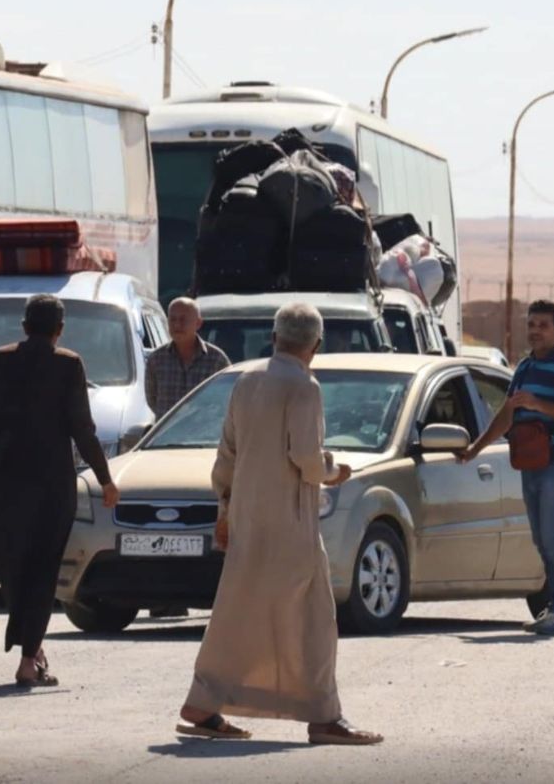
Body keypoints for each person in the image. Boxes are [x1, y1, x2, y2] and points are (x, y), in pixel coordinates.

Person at [175, 302, 382, 746]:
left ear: (274, 337)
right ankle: (324, 717)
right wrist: (334, 470)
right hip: (290, 520)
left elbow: (226, 455)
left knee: (237, 612)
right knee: (314, 618)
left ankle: (204, 701)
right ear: (316, 346)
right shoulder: (304, 386)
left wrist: (224, 510)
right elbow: (306, 461)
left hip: (248, 516)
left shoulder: (247, 381)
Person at [0, 294, 119, 687]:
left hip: (7, 482)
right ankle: (28, 656)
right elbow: (82, 429)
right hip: (52, 485)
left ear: (24, 326)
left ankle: (29, 647)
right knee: (43, 568)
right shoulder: (68, 364)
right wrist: (105, 478)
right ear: (60, 329)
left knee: (13, 565)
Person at [458, 299, 554, 636]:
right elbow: (507, 414)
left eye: (543, 325)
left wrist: (538, 403)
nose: (535, 331)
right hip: (531, 462)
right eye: (531, 324)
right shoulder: (526, 368)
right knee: (541, 538)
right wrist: (477, 447)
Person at [144, 297, 230, 419]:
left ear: (198, 323)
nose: (177, 325)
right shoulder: (156, 360)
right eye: (172, 319)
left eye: (183, 319)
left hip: (204, 435)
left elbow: (225, 401)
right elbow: (152, 401)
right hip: (167, 436)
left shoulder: (216, 361)